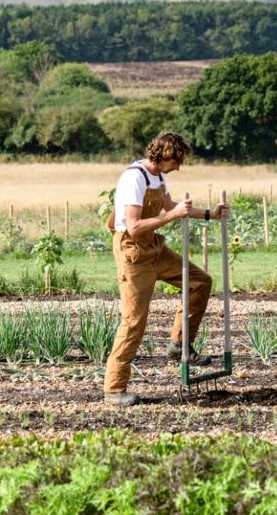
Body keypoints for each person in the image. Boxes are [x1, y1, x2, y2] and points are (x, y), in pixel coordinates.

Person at [103, 131, 230, 407]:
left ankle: (179, 345)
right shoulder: (133, 178)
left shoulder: (157, 176)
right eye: (177, 160)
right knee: (134, 321)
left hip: (154, 248)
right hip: (133, 252)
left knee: (200, 281)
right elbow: (134, 226)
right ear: (165, 155)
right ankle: (114, 389)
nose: (179, 166)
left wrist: (210, 214)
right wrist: (172, 215)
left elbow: (172, 206)